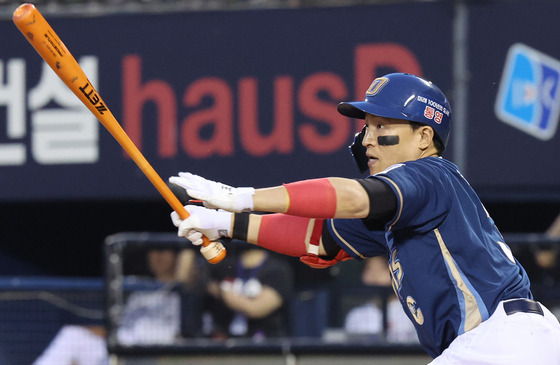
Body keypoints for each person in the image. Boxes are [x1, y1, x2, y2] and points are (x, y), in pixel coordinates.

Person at [169, 72, 560, 364]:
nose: (367, 139)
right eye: (367, 127)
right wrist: (223, 223)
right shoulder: (406, 209)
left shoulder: (430, 175)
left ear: (424, 137)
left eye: (381, 126)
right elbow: (315, 237)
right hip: (500, 343)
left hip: (502, 340)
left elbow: (353, 198)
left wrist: (243, 197)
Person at [33, 248, 195, 364]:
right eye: (153, 252)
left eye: (163, 252)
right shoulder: (140, 289)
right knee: (73, 335)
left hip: (159, 349)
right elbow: (122, 328)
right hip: (124, 347)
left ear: (175, 256)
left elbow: (185, 276)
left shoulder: (184, 289)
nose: (157, 258)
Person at [198, 242, 294, 340]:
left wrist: (223, 292)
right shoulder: (225, 266)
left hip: (265, 341)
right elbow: (205, 286)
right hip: (226, 340)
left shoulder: (277, 269)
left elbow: (256, 308)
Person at [344, 256, 418, 344]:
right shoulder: (356, 316)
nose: (374, 276)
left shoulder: (412, 312)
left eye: (381, 269)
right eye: (369, 269)